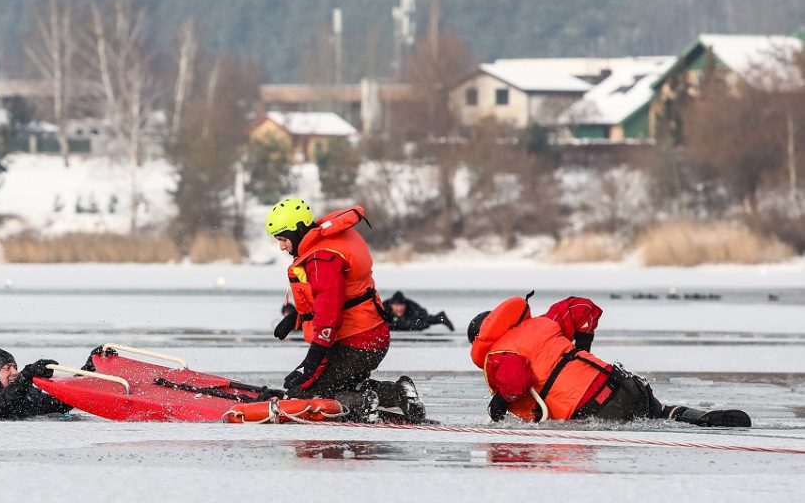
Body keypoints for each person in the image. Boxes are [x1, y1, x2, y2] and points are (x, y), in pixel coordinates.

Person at [467, 293, 751, 427]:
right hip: (621, 382)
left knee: (627, 420)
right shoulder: (544, 322)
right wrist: (582, 348)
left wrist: (500, 402)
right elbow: (582, 308)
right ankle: (699, 418)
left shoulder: (499, 355)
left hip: (595, 408)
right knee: (659, 412)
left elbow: (515, 381)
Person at [266, 198, 427, 423]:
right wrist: (298, 316)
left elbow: (329, 317)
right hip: (373, 335)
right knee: (344, 381)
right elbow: (341, 295)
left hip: (355, 342)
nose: (282, 246)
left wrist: (309, 368)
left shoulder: (321, 257)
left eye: (283, 239)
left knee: (302, 392)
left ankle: (360, 401)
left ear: (299, 230)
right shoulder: (332, 238)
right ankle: (400, 393)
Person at [0, 348, 71, 419]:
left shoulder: (29, 394)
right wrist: (27, 375)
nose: (14, 372)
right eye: (7, 368)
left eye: (15, 367)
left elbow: (61, 404)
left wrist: (86, 371)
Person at [382, 290, 454, 331]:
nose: (399, 308)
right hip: (396, 320)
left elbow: (422, 318)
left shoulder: (411, 306)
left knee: (421, 322)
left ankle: (441, 318)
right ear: (391, 305)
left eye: (401, 305)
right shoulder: (384, 307)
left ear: (405, 304)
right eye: (397, 305)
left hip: (415, 317)